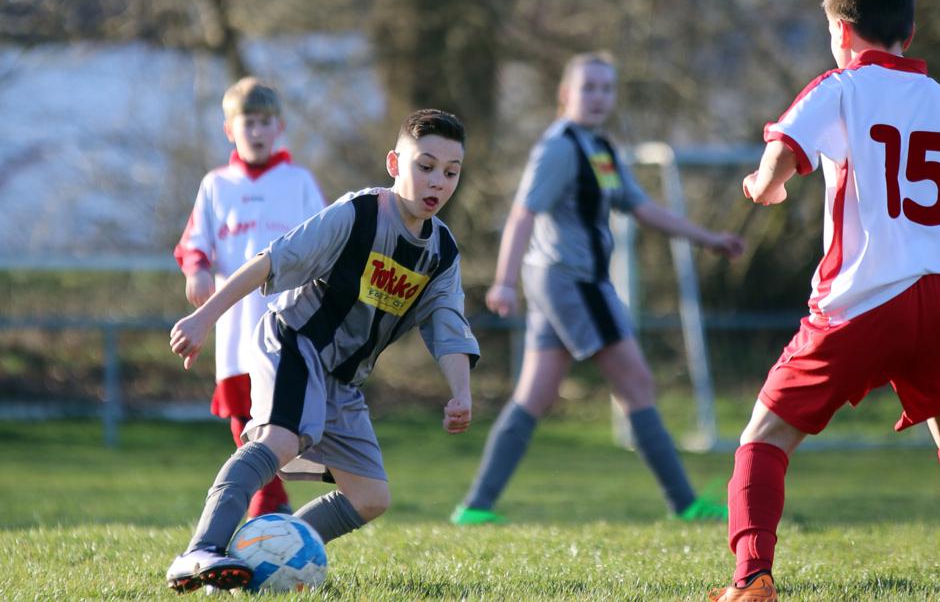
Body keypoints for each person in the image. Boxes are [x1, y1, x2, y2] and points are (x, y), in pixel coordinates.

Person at [709, 0, 940, 602]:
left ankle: (752, 577)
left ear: (841, 32)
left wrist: (764, 186)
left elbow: (782, 152)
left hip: (863, 298)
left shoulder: (840, 88)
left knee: (764, 435)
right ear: (909, 31)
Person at [165, 109, 480, 593]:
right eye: (426, 166)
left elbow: (448, 325)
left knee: (370, 496)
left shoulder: (441, 252)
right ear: (394, 164)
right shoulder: (358, 214)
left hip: (343, 379)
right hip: (295, 342)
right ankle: (199, 550)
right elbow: (270, 260)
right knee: (279, 441)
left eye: (451, 172)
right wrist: (204, 317)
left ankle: (265, 553)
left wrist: (461, 392)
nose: (438, 181)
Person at [450, 51, 745, 527]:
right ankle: (685, 504)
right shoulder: (559, 147)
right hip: (572, 283)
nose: (598, 97)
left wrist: (706, 238)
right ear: (565, 94)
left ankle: (475, 508)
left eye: (606, 88)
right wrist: (504, 282)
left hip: (565, 283)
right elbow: (524, 213)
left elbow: (642, 207)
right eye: (588, 87)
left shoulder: (601, 147)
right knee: (637, 383)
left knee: (535, 395)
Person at [174, 76, 325, 518]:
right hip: (236, 330)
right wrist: (197, 271)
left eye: (264, 122)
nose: (256, 131)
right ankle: (270, 511)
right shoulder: (216, 185)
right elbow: (194, 242)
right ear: (230, 129)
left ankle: (268, 510)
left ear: (280, 127)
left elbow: (327, 241)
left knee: (282, 420)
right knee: (243, 421)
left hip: (289, 326)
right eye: (248, 122)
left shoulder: (298, 182)